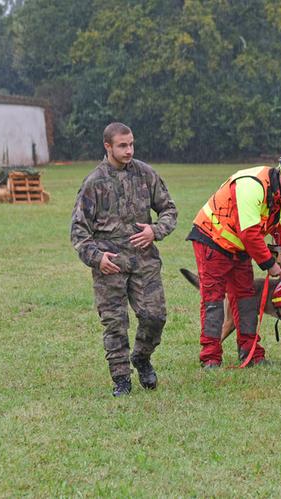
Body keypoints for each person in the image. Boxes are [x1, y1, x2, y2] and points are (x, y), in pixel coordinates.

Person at [186, 155, 281, 367]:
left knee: (246, 298)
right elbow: (250, 234)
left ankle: (250, 353)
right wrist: (270, 264)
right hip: (212, 241)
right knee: (213, 299)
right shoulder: (251, 185)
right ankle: (210, 357)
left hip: (239, 248)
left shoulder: (278, 198)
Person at [71, 122, 177, 396]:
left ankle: (141, 358)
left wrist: (155, 230)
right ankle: (121, 380)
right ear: (108, 146)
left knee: (155, 317)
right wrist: (96, 258)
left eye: (131, 144)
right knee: (115, 324)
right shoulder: (94, 183)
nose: (129, 150)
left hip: (145, 261)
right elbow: (78, 231)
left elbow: (169, 210)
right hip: (111, 265)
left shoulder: (145, 174)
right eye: (122, 145)